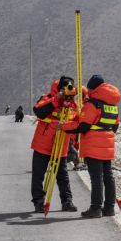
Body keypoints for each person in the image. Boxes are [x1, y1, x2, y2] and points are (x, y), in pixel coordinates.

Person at [65, 75, 120, 218]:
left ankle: (95, 208)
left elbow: (82, 126)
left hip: (93, 145)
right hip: (107, 145)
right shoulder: (112, 106)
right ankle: (109, 208)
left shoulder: (92, 104)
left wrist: (64, 127)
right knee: (108, 177)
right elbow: (115, 126)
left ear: (93, 88)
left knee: (97, 178)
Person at [30, 76, 80, 213]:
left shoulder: (73, 105)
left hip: (61, 146)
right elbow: (39, 111)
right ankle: (39, 202)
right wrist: (57, 98)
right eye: (65, 88)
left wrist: (65, 126)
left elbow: (78, 122)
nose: (67, 91)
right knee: (38, 175)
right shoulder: (48, 98)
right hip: (43, 144)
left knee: (63, 176)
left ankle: (67, 202)